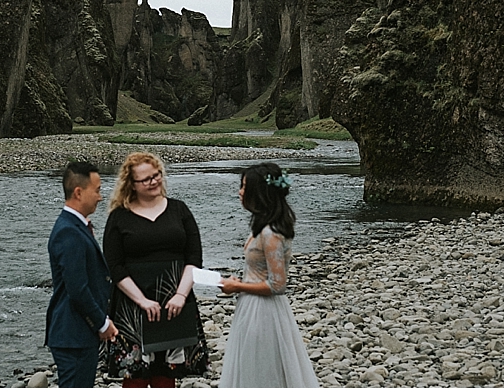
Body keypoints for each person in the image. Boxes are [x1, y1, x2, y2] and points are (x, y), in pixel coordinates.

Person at [102, 152, 210, 387]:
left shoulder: (180, 210)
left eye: (157, 175)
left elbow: (194, 257)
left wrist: (181, 295)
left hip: (175, 302)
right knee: (135, 375)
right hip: (133, 305)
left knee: (167, 374)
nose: (154, 181)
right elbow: (114, 265)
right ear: (131, 184)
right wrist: (142, 301)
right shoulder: (119, 217)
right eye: (146, 179)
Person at [218, 162, 319, 388]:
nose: (240, 192)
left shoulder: (271, 233)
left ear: (259, 193)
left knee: (262, 367)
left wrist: (238, 287)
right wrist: (239, 282)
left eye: (244, 187)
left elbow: (277, 285)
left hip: (264, 312)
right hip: (251, 305)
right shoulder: (262, 226)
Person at [46, 160, 119, 387]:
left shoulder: (76, 226)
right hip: (73, 335)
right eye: (96, 190)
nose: (100, 197)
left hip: (78, 334)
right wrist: (102, 324)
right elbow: (77, 288)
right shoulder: (68, 231)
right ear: (78, 192)